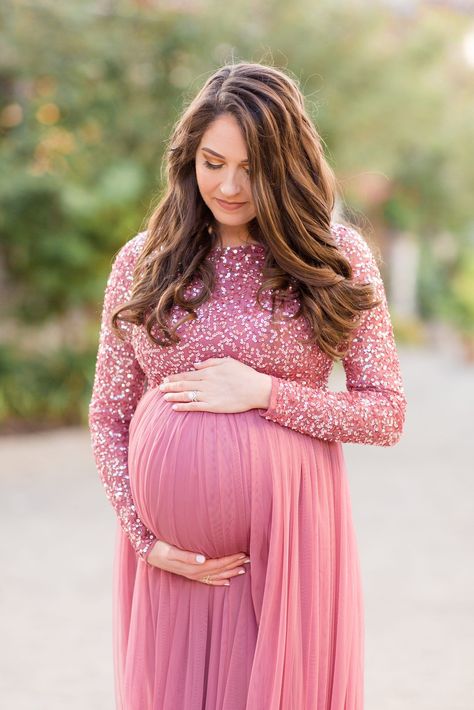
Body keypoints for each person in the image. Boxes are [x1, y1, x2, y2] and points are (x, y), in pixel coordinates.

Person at [88, 61, 407, 710]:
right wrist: (147, 541)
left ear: (287, 167)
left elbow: (386, 414)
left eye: (252, 168)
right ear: (188, 159)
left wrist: (266, 392)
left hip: (288, 553)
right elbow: (108, 414)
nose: (228, 185)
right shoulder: (143, 261)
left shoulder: (334, 259)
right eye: (212, 162)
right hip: (174, 565)